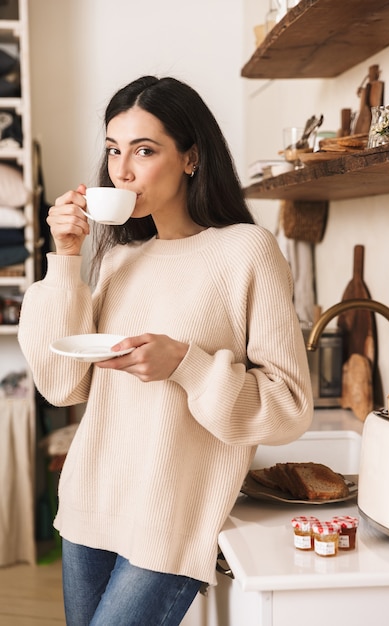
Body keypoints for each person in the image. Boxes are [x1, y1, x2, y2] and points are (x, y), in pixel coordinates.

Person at [18, 75, 313, 625]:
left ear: (191, 158)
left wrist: (187, 365)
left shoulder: (246, 251)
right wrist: (64, 256)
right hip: (90, 505)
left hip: (170, 517)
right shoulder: (118, 259)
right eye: (112, 150)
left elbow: (290, 408)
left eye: (144, 151)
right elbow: (63, 384)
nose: (121, 170)